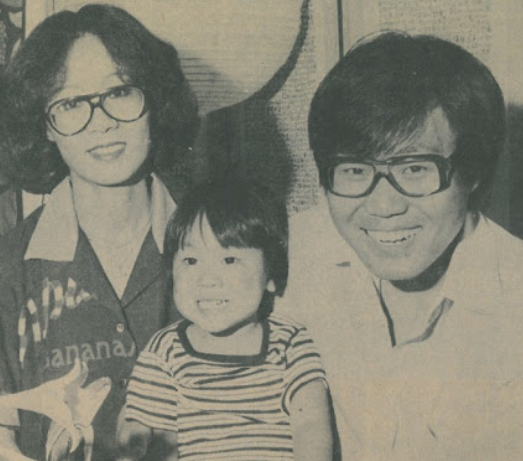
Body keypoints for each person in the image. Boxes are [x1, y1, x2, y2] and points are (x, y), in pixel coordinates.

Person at [276, 31, 523, 460]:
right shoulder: (285, 257)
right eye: (354, 170)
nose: (383, 206)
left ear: (473, 172)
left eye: (415, 169)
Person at [0, 4, 199, 461]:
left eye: (121, 91)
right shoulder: (7, 270)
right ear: (45, 126)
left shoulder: (228, 242)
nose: (102, 121)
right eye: (71, 103)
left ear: (155, 101)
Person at [118, 178, 333, 461]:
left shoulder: (290, 343)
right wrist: (134, 434)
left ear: (271, 274)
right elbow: (147, 429)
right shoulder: (166, 350)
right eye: (191, 261)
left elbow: (311, 426)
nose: (208, 279)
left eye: (229, 260)